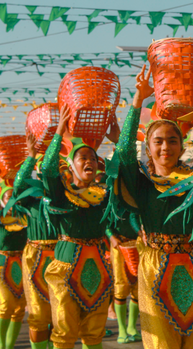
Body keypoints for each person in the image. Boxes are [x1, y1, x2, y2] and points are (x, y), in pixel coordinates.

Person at [112, 64, 193, 349]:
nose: (165, 146)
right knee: (160, 343)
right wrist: (136, 102)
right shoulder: (142, 184)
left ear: (182, 146)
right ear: (148, 147)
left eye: (172, 140)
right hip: (155, 265)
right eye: (158, 141)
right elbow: (124, 153)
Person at [41, 105, 115, 349]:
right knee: (64, 331)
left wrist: (118, 140)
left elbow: (125, 173)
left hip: (98, 270)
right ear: (71, 164)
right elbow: (49, 170)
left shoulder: (103, 195)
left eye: (93, 158)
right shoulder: (62, 195)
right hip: (65, 269)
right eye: (83, 158)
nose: (90, 162)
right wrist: (59, 131)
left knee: (94, 333)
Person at [9, 134, 58, 349]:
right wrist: (30, 157)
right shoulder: (30, 200)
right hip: (35, 256)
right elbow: (18, 186)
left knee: (60, 312)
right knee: (38, 312)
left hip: (61, 255)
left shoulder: (66, 197)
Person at [105, 211, 141, 343]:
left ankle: (132, 327)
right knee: (120, 286)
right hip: (119, 245)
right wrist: (111, 236)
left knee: (138, 287)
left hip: (138, 245)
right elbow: (104, 221)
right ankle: (122, 329)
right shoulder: (114, 197)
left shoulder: (139, 198)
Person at [0, 181, 27, 349]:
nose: (12, 200)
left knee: (19, 309)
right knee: (5, 305)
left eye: (15, 197)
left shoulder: (24, 218)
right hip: (2, 263)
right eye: (9, 197)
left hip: (21, 264)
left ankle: (9, 346)